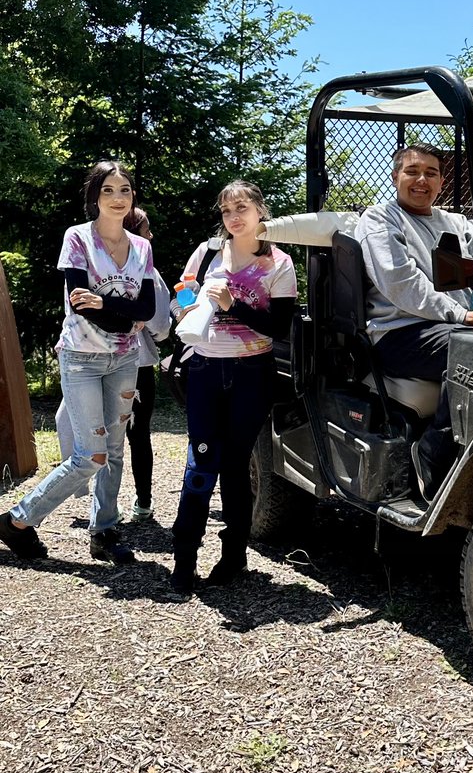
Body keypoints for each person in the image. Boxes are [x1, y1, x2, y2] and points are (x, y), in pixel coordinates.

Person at [0, 160, 156, 565]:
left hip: (125, 359)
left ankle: (104, 531)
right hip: (81, 359)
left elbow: (148, 305)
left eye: (124, 190)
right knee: (90, 454)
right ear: (94, 196)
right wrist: (122, 310)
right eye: (108, 190)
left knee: (115, 451)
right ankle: (17, 520)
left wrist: (106, 302)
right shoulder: (78, 238)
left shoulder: (141, 247)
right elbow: (80, 304)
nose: (118, 198)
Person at [169, 180, 296, 597]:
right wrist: (186, 304)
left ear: (261, 209)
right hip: (204, 368)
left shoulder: (279, 262)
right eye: (226, 211)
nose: (234, 217)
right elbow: (182, 295)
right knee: (201, 462)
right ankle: (184, 560)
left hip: (251, 373)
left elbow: (278, 327)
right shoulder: (206, 253)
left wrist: (232, 305)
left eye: (242, 207)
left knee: (236, 465)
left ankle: (233, 556)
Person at [355, 142, 473, 500]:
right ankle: (433, 452)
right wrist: (461, 314)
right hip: (400, 332)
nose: (422, 180)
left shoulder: (454, 222)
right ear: (395, 177)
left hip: (454, 325)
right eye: (412, 171)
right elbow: (402, 284)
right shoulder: (380, 219)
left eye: (431, 173)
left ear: (441, 181)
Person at [55, 206, 171, 520]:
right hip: (136, 364)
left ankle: (105, 510)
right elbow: (159, 324)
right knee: (135, 436)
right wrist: (134, 322)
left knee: (97, 438)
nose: (151, 235)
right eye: (146, 229)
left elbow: (77, 307)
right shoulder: (148, 271)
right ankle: (142, 503)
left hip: (89, 359)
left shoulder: (89, 263)